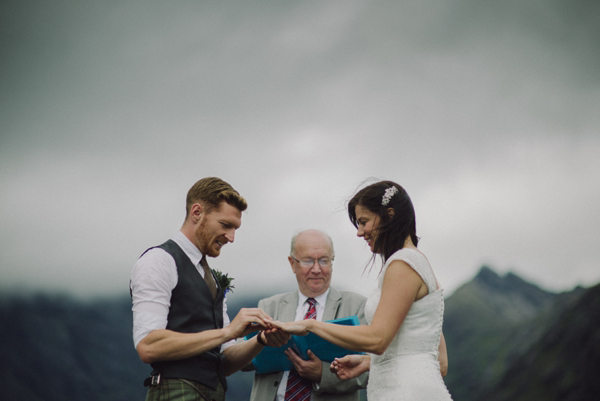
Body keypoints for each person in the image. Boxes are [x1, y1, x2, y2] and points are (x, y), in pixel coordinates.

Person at [274, 181, 452, 401]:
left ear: (389, 214)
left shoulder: (403, 264)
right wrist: (368, 363)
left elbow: (378, 339)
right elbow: (440, 363)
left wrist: (310, 325)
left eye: (364, 222)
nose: (359, 232)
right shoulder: (418, 263)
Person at [130, 177, 286, 401]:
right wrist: (228, 332)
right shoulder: (158, 261)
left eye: (236, 228)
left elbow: (225, 362)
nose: (232, 238)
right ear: (196, 212)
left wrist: (261, 339)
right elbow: (148, 345)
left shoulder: (211, 278)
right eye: (225, 225)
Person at [248, 229, 368, 401]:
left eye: (324, 261)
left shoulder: (357, 306)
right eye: (308, 261)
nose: (317, 269)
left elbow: (372, 369)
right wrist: (262, 341)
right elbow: (241, 361)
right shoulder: (268, 306)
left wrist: (323, 373)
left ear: (332, 262)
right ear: (292, 264)